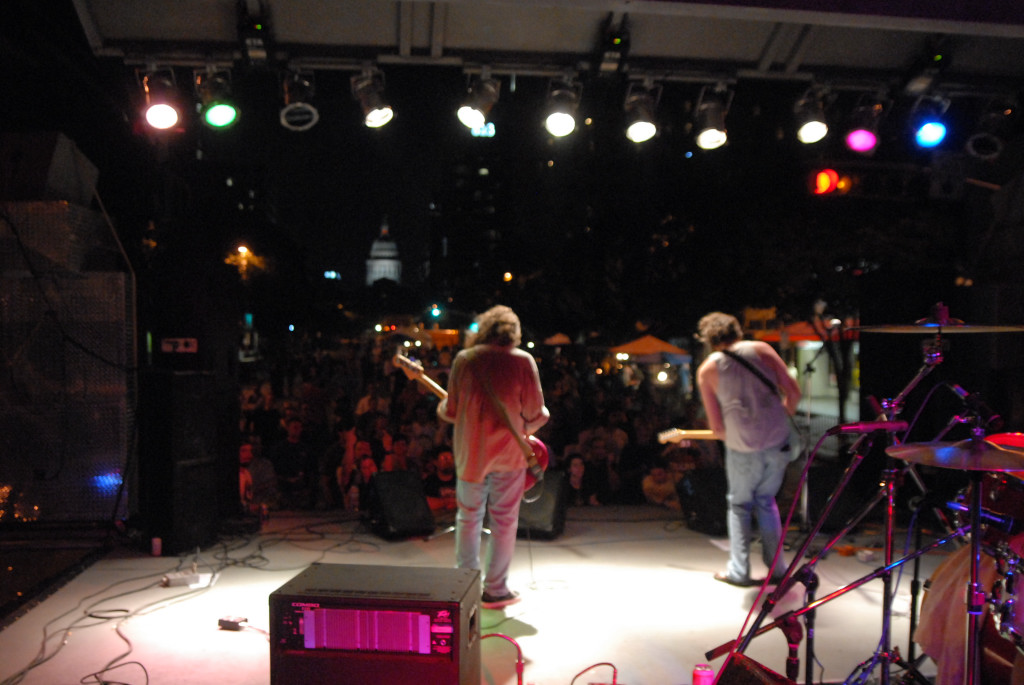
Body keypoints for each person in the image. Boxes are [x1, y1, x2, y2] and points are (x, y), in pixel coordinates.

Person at [437, 305, 549, 610]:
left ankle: (464, 586)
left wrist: (447, 409)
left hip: (472, 454)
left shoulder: (465, 359)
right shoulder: (522, 361)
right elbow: (535, 413)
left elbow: (451, 410)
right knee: (504, 521)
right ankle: (496, 590)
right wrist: (523, 425)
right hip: (509, 455)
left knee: (468, 518)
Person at [695, 311, 801, 587]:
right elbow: (793, 392)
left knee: (739, 506)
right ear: (737, 331)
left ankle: (739, 572)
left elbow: (717, 427)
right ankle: (777, 570)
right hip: (778, 443)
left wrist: (735, 433)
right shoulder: (762, 350)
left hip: (741, 448)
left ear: (708, 339)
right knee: (766, 502)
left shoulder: (707, 370)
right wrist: (780, 417)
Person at [422, 448, 458, 517]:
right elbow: (427, 503)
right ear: (436, 462)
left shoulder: (461, 479)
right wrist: (447, 501)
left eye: (451, 458)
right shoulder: (429, 482)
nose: (448, 461)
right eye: (444, 458)